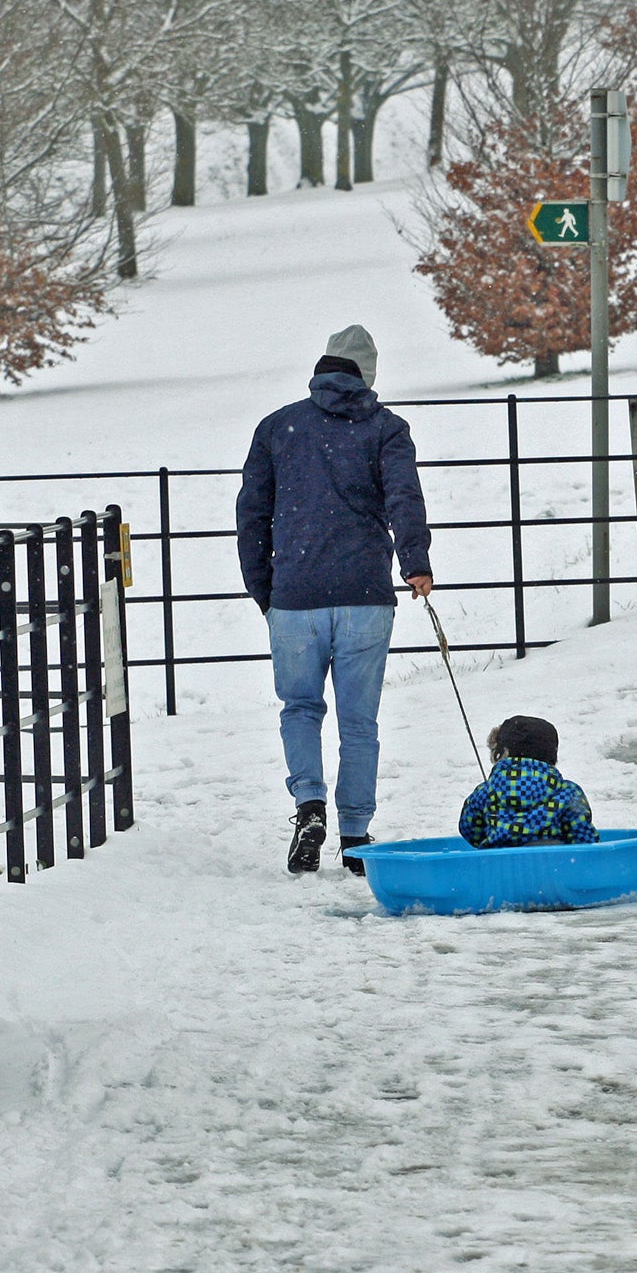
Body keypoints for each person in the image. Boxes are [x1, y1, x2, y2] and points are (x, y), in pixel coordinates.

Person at [237, 324, 432, 875]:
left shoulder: (278, 428)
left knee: (299, 708)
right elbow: (404, 497)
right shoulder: (387, 429)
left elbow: (252, 514)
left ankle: (309, 805)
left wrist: (266, 592)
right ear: (367, 375)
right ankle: (354, 833)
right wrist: (415, 562)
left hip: (295, 597)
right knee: (359, 723)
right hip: (365, 593)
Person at [459, 716, 599, 849]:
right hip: (556, 867)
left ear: (501, 753)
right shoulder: (568, 793)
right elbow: (584, 838)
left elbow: (469, 829)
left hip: (498, 868)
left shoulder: (485, 792)